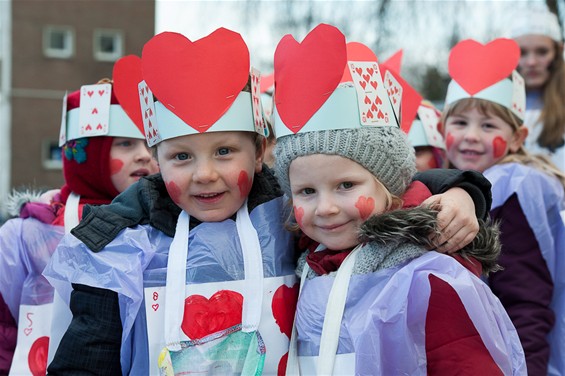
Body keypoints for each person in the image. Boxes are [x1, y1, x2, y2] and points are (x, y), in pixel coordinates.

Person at [45, 27, 494, 375]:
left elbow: (385, 184)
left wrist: (462, 191)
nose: (205, 174)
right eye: (181, 157)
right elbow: (92, 346)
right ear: (156, 161)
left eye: (225, 151)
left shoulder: (289, 211)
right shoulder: (126, 241)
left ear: (260, 153)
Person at [272, 25, 526, 375]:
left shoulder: (427, 277)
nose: (325, 207)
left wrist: (464, 190)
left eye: (346, 184)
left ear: (389, 184)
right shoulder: (308, 258)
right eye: (307, 192)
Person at [0, 77, 158, 375]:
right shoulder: (27, 235)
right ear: (88, 155)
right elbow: (4, 327)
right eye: (124, 143)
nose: (144, 155)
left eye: (150, 142)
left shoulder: (165, 224)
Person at [442, 37, 565, 375]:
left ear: (516, 138)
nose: (470, 136)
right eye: (460, 123)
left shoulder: (512, 189)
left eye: (488, 126)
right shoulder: (451, 183)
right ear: (442, 129)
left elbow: (526, 300)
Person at [509, 7, 565, 171]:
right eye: (522, 53)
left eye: (542, 51)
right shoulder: (494, 103)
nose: (531, 62)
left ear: (558, 52)